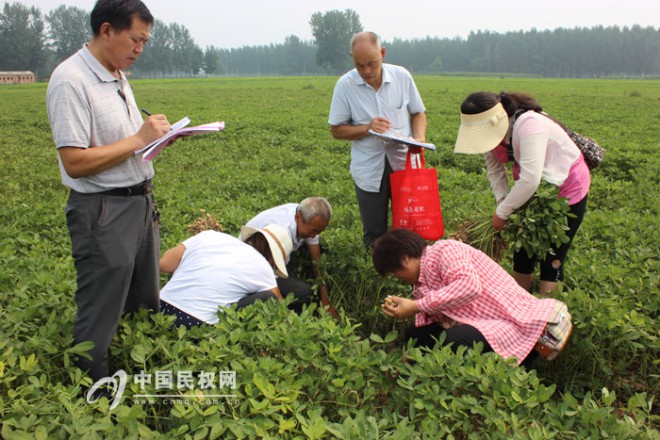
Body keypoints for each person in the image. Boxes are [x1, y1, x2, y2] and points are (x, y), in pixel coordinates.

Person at [46, 0, 171, 381]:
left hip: (138, 204)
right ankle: (92, 391)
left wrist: (156, 140)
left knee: (143, 299)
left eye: (145, 41)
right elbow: (75, 162)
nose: (139, 49)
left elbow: (126, 144)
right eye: (135, 39)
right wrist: (138, 139)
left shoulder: (116, 75)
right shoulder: (71, 81)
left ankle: (137, 374)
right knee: (100, 309)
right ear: (106, 30)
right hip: (103, 211)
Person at [454, 91, 590, 295]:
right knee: (523, 252)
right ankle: (520, 304)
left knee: (551, 255)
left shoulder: (530, 126)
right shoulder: (489, 136)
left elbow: (530, 179)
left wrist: (502, 213)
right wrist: (502, 201)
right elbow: (495, 170)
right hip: (532, 192)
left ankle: (549, 313)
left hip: (566, 189)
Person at [374, 228, 567, 367]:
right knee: (416, 335)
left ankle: (485, 381)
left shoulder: (445, 251)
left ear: (404, 260)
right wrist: (408, 309)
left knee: (452, 342)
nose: (398, 278)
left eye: (394, 273)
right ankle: (418, 377)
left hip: (510, 322)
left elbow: (469, 286)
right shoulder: (421, 281)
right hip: (483, 322)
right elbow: (434, 316)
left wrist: (416, 305)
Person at [328, 31, 427, 249]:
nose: (366, 71)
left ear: (382, 53)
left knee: (410, 227)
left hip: (403, 163)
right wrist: (367, 128)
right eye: (359, 65)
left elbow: (418, 113)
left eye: (371, 64)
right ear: (352, 58)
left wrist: (418, 139)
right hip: (369, 168)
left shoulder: (402, 77)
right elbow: (336, 130)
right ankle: (378, 275)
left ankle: (409, 273)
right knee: (374, 234)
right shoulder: (345, 86)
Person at [159, 224, 293, 328]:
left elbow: (164, 264)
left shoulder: (208, 236)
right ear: (272, 257)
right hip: (196, 324)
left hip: (158, 308)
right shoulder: (263, 266)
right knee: (269, 297)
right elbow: (279, 304)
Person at [241, 197, 336, 316]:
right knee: (303, 292)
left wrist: (326, 304)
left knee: (321, 246)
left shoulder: (310, 218)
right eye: (312, 231)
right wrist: (288, 318)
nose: (313, 236)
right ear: (298, 217)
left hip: (271, 261)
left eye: (318, 232)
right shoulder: (281, 232)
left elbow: (317, 262)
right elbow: (269, 277)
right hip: (252, 268)